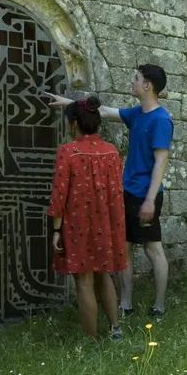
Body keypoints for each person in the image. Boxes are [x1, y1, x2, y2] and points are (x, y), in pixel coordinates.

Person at [48, 64, 173, 320]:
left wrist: (149, 200)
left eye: (136, 78)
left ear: (147, 86)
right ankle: (125, 304)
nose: (132, 81)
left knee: (153, 249)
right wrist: (68, 103)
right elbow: (101, 111)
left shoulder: (161, 119)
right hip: (127, 192)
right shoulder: (137, 113)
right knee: (123, 247)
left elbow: (161, 161)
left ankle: (159, 305)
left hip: (146, 194)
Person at [47, 95, 127, 341]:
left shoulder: (67, 152)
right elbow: (116, 192)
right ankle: (115, 329)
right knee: (104, 274)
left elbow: (59, 194)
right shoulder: (112, 152)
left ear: (72, 124)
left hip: (77, 224)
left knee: (83, 282)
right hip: (107, 223)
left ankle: (91, 339)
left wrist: (56, 230)